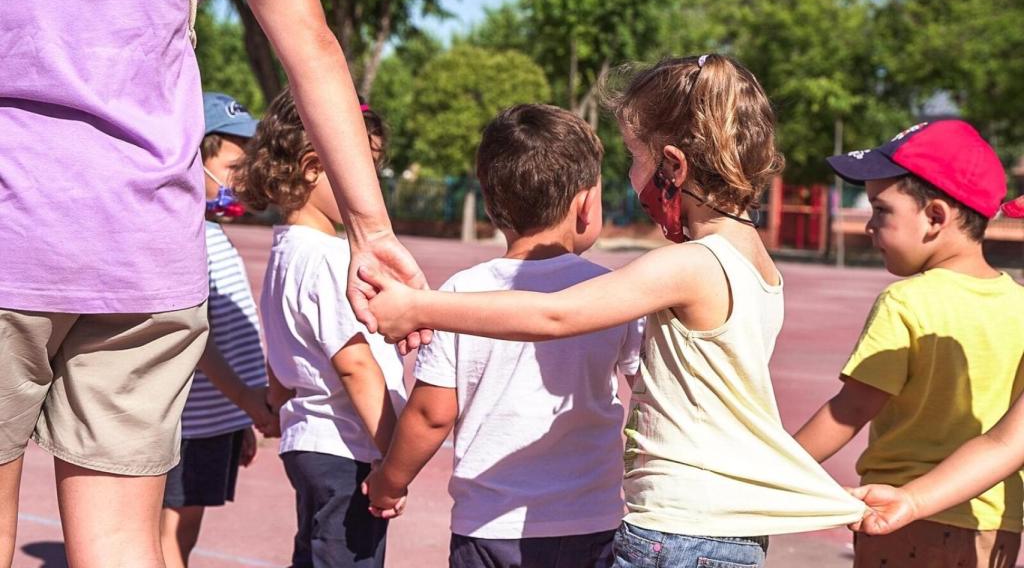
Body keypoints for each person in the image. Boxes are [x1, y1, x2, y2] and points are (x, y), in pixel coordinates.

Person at [360, 55, 864, 568]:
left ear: (673, 166)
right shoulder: (758, 265)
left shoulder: (687, 265)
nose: (630, 176)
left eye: (633, 157)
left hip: (677, 531)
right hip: (731, 536)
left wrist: (418, 306)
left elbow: (554, 315)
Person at [0, 0, 426, 565]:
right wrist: (371, 229)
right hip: (145, 250)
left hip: (17, 219)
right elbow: (311, 44)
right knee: (121, 539)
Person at [363, 104, 645, 568]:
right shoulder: (611, 295)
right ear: (587, 204)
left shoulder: (460, 293)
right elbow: (646, 394)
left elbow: (433, 413)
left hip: (489, 526)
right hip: (589, 521)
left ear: (493, 207)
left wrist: (390, 481)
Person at [793, 120, 1024, 567]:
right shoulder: (1019, 302)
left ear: (935, 217)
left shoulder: (906, 301)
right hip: (995, 520)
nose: (868, 228)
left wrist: (772, 470)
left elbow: (851, 409)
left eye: (881, 211)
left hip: (899, 513)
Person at [234, 88, 406, 568]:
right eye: (361, 167)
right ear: (313, 167)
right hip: (346, 450)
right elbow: (355, 365)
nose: (371, 184)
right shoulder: (331, 258)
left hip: (310, 445)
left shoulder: (288, 250)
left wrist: (275, 403)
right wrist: (395, 460)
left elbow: (281, 346)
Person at [159, 92, 276, 568]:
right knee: (167, 529)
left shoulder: (211, 231)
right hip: (187, 424)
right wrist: (249, 403)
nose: (244, 180)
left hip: (215, 421)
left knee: (185, 524)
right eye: (234, 166)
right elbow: (197, 339)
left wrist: (237, 423)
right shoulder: (185, 237)